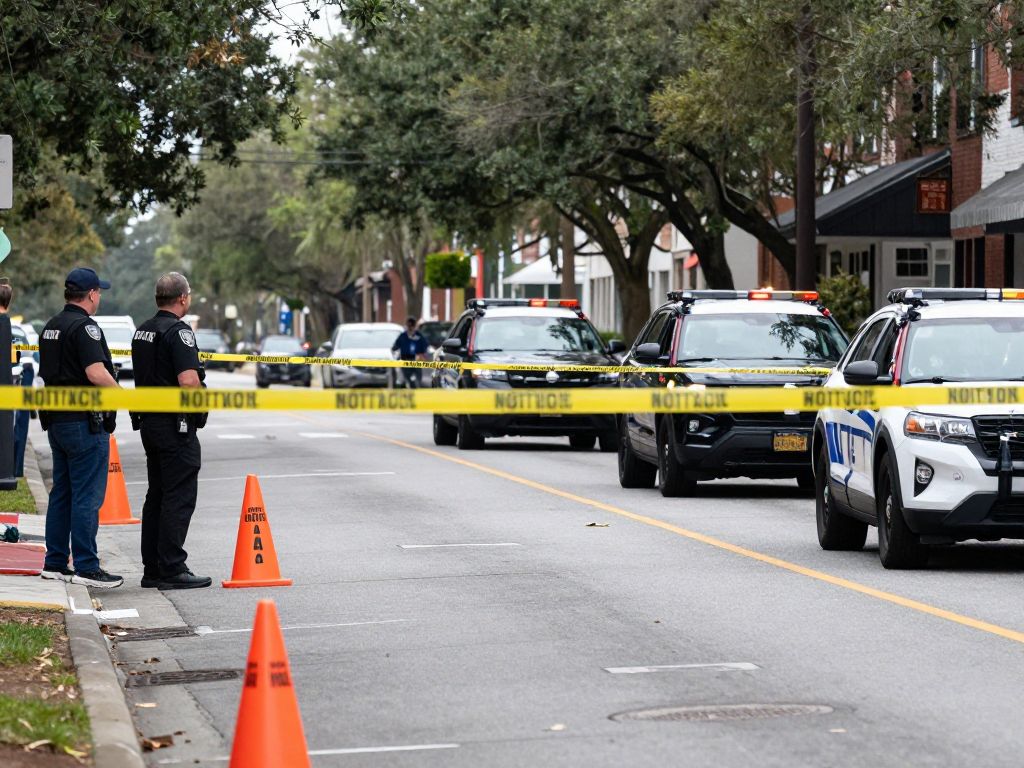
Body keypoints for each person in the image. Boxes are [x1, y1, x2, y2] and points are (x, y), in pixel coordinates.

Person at [38, 267, 123, 588]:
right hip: (83, 423)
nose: (99, 296)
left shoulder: (51, 326)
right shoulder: (85, 328)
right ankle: (87, 566)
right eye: (98, 292)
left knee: (63, 492)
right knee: (87, 496)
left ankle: (56, 562)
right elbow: (96, 373)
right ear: (90, 295)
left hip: (57, 421)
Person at [130, 272, 211, 589]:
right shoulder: (179, 333)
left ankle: (153, 568)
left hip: (150, 425)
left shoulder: (142, 332)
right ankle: (172, 568)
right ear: (182, 298)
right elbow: (188, 380)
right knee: (178, 496)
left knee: (157, 495)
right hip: (175, 427)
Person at [391, 317, 428, 388]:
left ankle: (417, 390)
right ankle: (410, 387)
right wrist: (394, 351)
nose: (410, 328)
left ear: (415, 326)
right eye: (409, 326)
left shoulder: (419, 336)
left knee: (418, 379)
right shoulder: (403, 336)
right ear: (407, 326)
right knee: (407, 379)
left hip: (417, 360)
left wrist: (422, 354)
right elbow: (395, 346)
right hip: (405, 360)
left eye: (412, 326)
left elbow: (425, 346)